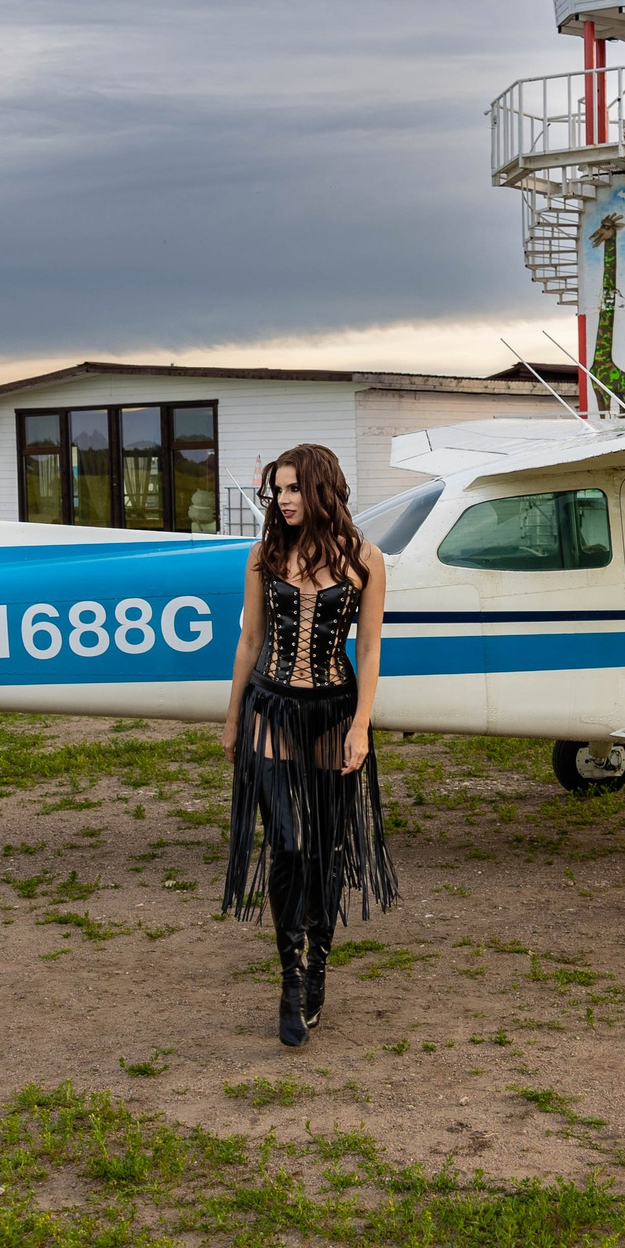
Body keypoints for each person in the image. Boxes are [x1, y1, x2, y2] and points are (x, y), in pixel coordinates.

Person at [220, 443, 397, 1046]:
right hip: (271, 704)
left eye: (294, 489)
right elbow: (250, 641)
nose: (283, 500)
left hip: (333, 710)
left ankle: (317, 962)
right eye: (279, 490)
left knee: (325, 848)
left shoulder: (366, 560)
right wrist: (231, 717)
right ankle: (290, 979)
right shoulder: (264, 556)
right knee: (289, 847)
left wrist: (360, 726)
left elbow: (369, 650)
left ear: (321, 490)